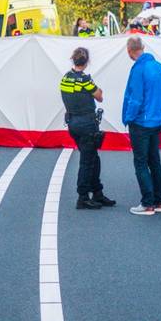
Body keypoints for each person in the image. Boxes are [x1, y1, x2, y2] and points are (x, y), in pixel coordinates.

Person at [60, 47, 116, 210]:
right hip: (87, 124)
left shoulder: (65, 78)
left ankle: (97, 192)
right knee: (87, 161)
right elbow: (99, 96)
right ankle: (83, 196)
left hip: (73, 123)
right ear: (87, 61)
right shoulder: (84, 80)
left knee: (92, 158)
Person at [122, 35, 161, 215]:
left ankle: (147, 203)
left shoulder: (138, 70)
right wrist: (157, 110)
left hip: (141, 122)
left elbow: (135, 99)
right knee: (154, 160)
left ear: (129, 51)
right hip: (157, 120)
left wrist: (128, 118)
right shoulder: (159, 67)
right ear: (142, 47)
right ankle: (159, 201)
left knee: (141, 162)